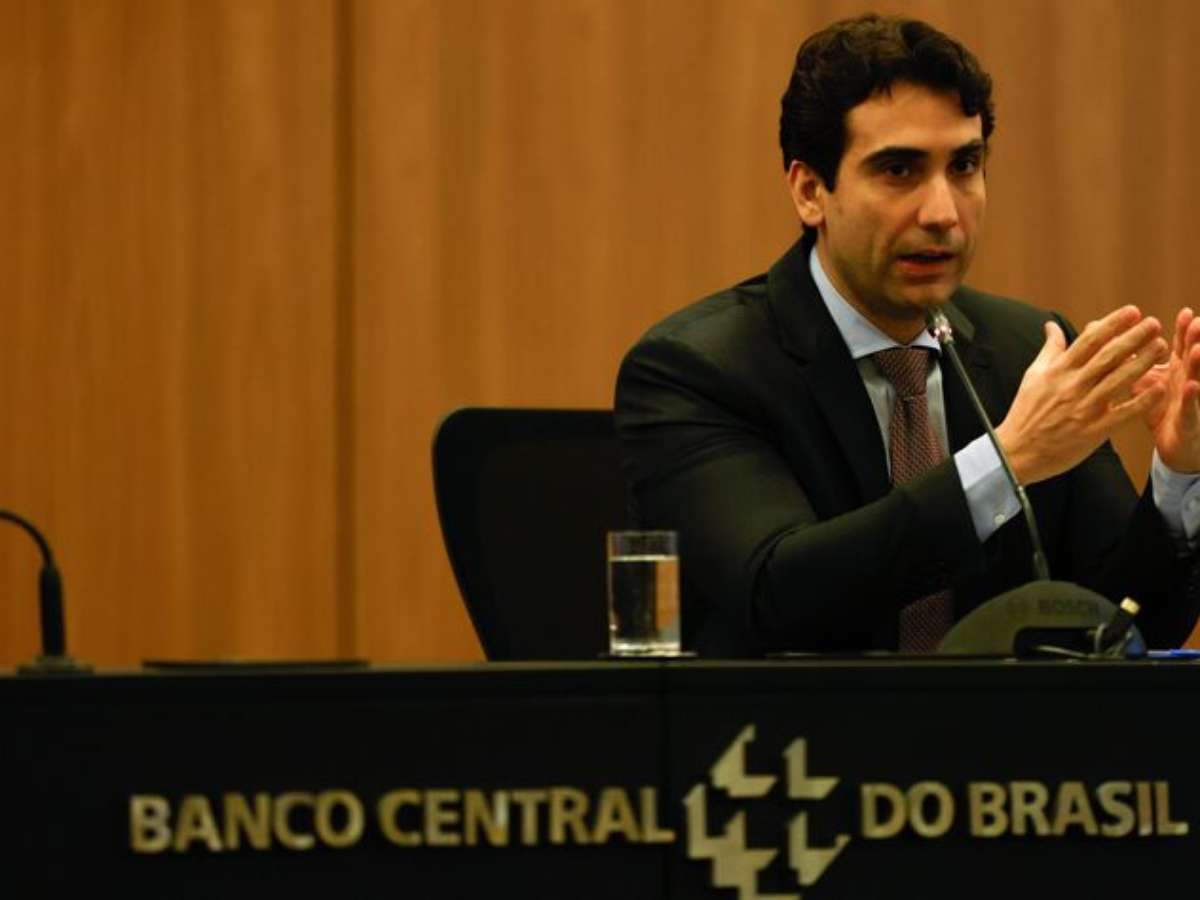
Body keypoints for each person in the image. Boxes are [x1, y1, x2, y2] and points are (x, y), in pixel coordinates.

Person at [614, 13, 1200, 657]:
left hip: (1001, 729)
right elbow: (775, 595)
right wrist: (1005, 462)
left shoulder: (1027, 353)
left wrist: (1179, 473)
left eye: (965, 165)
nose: (942, 213)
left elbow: (1125, 625)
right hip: (794, 725)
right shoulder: (695, 369)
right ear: (810, 191)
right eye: (899, 170)